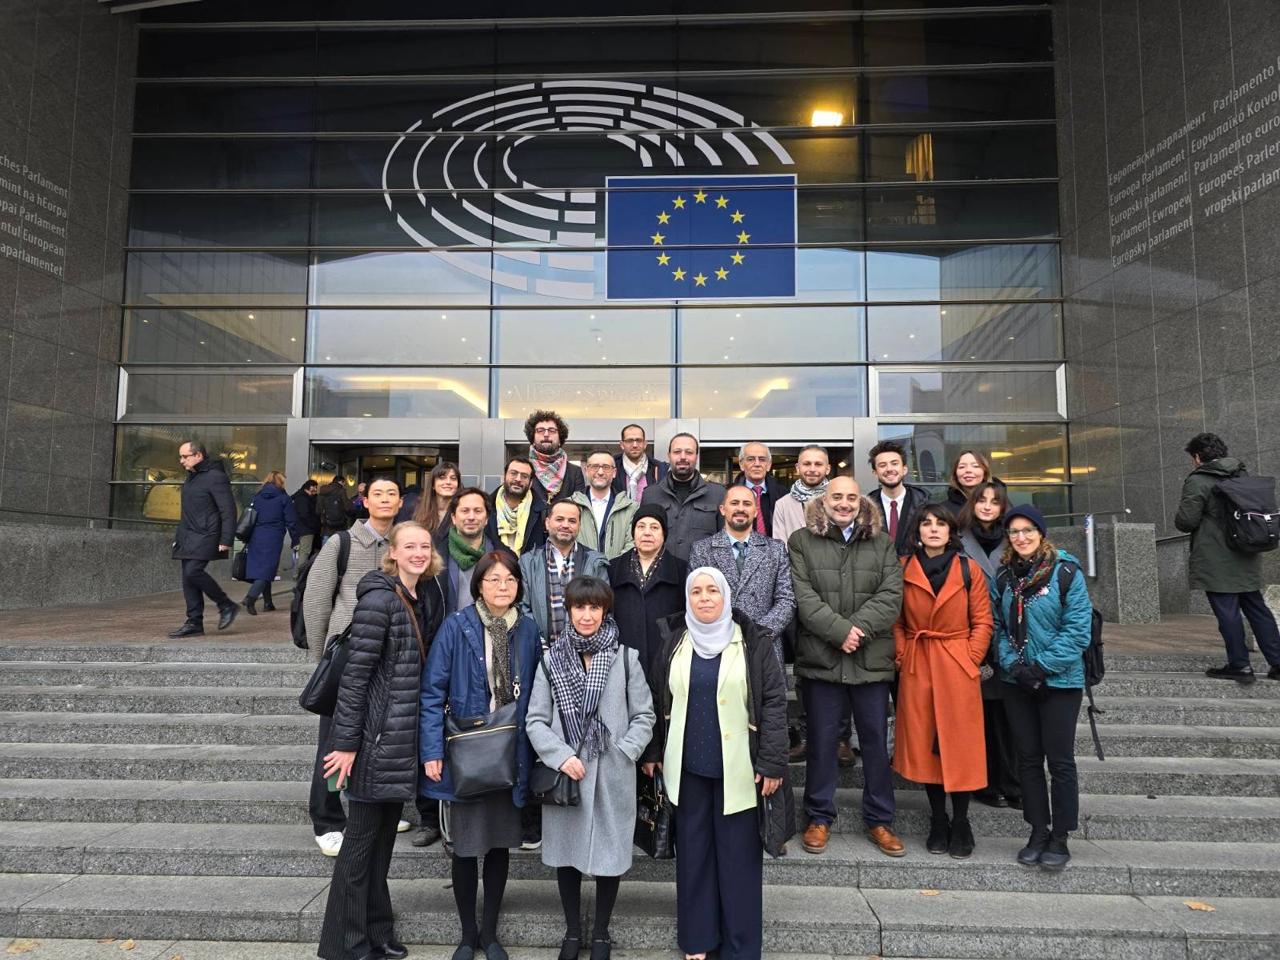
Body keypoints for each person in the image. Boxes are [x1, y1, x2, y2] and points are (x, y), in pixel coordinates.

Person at [643, 568, 788, 960]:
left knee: (739, 863)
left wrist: (772, 762)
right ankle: (698, 940)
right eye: (696, 591)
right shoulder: (674, 640)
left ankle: (740, 947)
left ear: (726, 597)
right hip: (687, 771)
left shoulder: (753, 642)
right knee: (694, 858)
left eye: (712, 591)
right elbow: (658, 699)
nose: (704, 598)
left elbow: (774, 701)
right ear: (687, 599)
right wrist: (653, 752)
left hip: (740, 772)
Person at [317, 521, 442, 960]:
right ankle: (344, 945)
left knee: (382, 845)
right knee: (359, 848)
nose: (419, 552)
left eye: (425, 546)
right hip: (372, 741)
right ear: (392, 551)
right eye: (410, 546)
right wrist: (347, 742)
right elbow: (354, 679)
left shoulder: (415, 597)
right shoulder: (378, 600)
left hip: (396, 742)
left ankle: (377, 929)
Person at [525, 577, 655, 960]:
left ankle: (600, 933)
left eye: (594, 607)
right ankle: (571, 931)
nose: (586, 615)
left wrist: (625, 750)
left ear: (605, 611)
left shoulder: (624, 657)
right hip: (567, 773)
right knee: (566, 855)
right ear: (568, 610)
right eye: (579, 607)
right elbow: (535, 719)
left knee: (610, 857)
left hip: (612, 772)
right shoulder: (551, 659)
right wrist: (561, 756)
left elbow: (644, 715)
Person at [420, 551, 541, 960]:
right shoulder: (457, 627)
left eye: (509, 579)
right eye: (493, 580)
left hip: (510, 750)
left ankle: (490, 934)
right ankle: (467, 935)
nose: (502, 587)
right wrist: (432, 751)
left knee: (501, 844)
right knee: (468, 846)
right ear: (479, 585)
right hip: (468, 749)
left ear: (519, 586)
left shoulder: (527, 629)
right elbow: (433, 692)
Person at [789, 475, 905, 858]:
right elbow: (802, 596)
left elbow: (891, 595)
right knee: (822, 743)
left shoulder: (882, 542)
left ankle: (880, 820)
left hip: (871, 660)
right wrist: (839, 631)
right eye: (836, 496)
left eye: (850, 498)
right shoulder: (802, 541)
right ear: (824, 500)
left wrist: (858, 630)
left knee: (873, 742)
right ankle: (819, 817)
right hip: (822, 659)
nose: (843, 503)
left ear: (861, 502)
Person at [303, 477, 411, 856]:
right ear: (365, 501)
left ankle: (370, 805)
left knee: (375, 736)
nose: (385, 500)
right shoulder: (342, 543)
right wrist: (322, 659)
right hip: (347, 657)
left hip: (387, 660)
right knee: (335, 740)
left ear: (400, 502)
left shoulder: (402, 545)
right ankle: (328, 818)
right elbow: (316, 601)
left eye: (392, 494)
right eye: (378, 494)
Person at [993, 505, 1092, 872]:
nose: (1021, 537)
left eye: (1028, 530)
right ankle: (1037, 830)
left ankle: (1060, 835)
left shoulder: (1067, 571)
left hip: (1060, 682)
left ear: (1041, 533)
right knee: (1028, 759)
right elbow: (997, 628)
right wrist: (1015, 667)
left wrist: (1041, 667)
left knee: (1060, 760)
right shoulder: (1004, 575)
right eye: (1014, 531)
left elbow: (1077, 629)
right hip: (1017, 681)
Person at [893, 504, 992, 859]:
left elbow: (983, 620)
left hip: (956, 663)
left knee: (959, 744)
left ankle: (961, 820)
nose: (933, 529)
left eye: (940, 524)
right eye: (926, 523)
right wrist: (904, 656)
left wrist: (970, 658)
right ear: (917, 530)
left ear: (951, 531)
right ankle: (938, 818)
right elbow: (896, 622)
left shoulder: (969, 569)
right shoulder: (903, 568)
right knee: (925, 743)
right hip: (919, 664)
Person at [1174, 432, 1280, 684]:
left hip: (1216, 558)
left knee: (1228, 612)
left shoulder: (1199, 480)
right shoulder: (1241, 474)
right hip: (1246, 553)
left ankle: (1240, 665)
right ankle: (1277, 662)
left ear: (1198, 457)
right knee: (1258, 609)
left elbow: (1186, 521)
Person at [958, 482, 1022, 809]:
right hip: (974, 637)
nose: (986, 506)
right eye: (980, 500)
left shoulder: (1015, 538)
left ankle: (1013, 783)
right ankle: (984, 783)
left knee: (1009, 719)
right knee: (980, 716)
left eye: (994, 501)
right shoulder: (959, 539)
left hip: (1012, 638)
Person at [687, 486, 795, 665]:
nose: (740, 508)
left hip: (764, 645)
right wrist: (725, 631)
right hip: (717, 645)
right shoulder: (702, 550)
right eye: (734, 503)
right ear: (723, 509)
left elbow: (787, 599)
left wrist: (758, 632)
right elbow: (696, 599)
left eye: (747, 504)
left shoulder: (775, 550)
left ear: (755, 511)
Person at [608, 504, 688, 680]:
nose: (647, 533)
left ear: (663, 534)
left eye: (654, 527)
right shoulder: (613, 569)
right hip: (622, 662)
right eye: (641, 526)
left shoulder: (682, 570)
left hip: (668, 660)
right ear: (633, 532)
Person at [169, 440, 239, 638]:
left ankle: (225, 604)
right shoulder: (191, 478)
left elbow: (228, 510)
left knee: (193, 571)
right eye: (181, 456)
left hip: (207, 534)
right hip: (188, 535)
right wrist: (178, 537)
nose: (181, 460)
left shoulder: (215, 477)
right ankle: (194, 622)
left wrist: (226, 539)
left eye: (185, 456)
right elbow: (188, 512)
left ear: (198, 455)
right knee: (188, 578)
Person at [519, 498, 610, 647]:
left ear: (579, 526)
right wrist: (541, 648)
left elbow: (605, 609)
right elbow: (522, 608)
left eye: (572, 521)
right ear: (547, 523)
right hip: (540, 654)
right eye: (559, 519)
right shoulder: (528, 562)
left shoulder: (595, 562)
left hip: (585, 654)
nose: (565, 525)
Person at [640, 433, 725, 562]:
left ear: (696, 456)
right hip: (661, 575)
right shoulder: (651, 495)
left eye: (689, 452)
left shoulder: (718, 494)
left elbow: (724, 541)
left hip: (702, 576)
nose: (683, 457)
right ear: (669, 456)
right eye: (677, 452)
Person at [439, 487, 511, 615]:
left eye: (478, 511)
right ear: (454, 518)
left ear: (487, 518)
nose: (471, 517)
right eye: (465, 511)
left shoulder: (504, 557)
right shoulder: (435, 556)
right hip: (447, 632)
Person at [240, 470, 300, 614]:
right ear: (280, 482)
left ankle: (268, 603)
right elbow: (291, 521)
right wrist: (295, 539)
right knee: (266, 571)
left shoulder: (257, 496)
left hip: (256, 536)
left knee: (264, 569)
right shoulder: (283, 498)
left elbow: (250, 517)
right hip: (273, 537)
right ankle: (250, 597)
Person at [868, 440, 933, 558]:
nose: (889, 469)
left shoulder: (924, 503)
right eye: (882, 465)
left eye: (894, 463)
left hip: (916, 571)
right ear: (875, 473)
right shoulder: (866, 508)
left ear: (904, 469)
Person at [571, 448, 638, 560]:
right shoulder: (571, 505)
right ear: (586, 471)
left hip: (616, 574)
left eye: (606, 467)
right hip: (581, 574)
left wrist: (611, 568)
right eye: (595, 466)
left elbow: (632, 544)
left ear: (614, 473)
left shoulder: (631, 508)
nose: (600, 472)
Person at [770, 444, 831, 546]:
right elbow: (780, 546)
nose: (812, 469)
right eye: (807, 464)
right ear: (798, 468)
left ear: (827, 469)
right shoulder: (782, 504)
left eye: (818, 464)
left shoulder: (839, 501)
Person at [487, 456, 548, 555]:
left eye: (524, 476)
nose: (518, 479)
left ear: (531, 483)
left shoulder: (544, 512)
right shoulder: (486, 507)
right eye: (513, 473)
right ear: (504, 476)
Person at [525, 410, 587, 502]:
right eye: (540, 430)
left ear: (560, 438)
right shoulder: (523, 468)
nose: (546, 434)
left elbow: (579, 508)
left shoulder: (575, 472)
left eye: (552, 430)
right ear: (532, 438)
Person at [731, 442, 788, 538]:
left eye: (762, 459)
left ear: (769, 465)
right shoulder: (728, 494)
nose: (757, 464)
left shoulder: (783, 494)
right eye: (750, 459)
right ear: (741, 464)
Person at [613, 423, 667, 501]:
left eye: (639, 440)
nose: (635, 445)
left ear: (645, 444)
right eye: (629, 441)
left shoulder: (659, 468)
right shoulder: (611, 467)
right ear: (622, 444)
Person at [405, 460, 461, 532]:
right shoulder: (413, 508)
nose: (448, 482)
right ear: (433, 485)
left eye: (453, 478)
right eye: (442, 478)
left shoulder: (461, 511)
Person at [291, 479, 320, 563]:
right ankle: (300, 574)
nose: (315, 489)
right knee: (304, 553)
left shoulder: (299, 497)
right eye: (314, 487)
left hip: (299, 529)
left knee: (299, 553)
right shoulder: (303, 499)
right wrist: (314, 525)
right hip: (306, 530)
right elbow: (304, 515)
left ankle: (297, 574)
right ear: (309, 487)